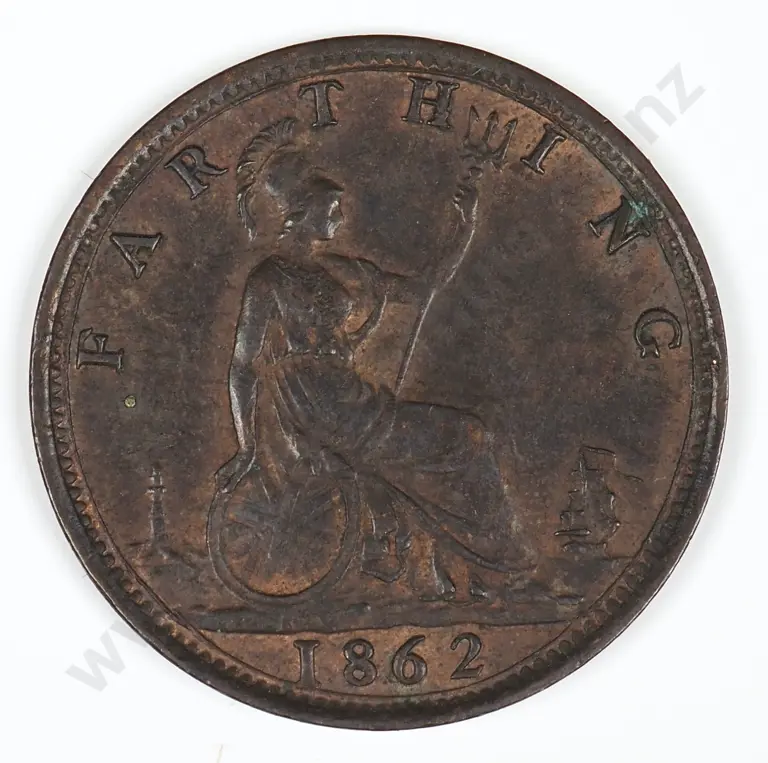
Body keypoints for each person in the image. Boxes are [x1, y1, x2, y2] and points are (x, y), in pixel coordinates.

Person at [209, 116, 526, 599]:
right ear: (305, 209)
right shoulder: (269, 279)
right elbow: (242, 366)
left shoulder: (344, 271)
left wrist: (464, 225)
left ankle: (467, 565)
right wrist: (247, 448)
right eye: (331, 206)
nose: (340, 216)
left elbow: (423, 288)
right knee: (467, 437)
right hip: (320, 406)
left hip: (347, 399)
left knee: (463, 439)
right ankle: (495, 567)